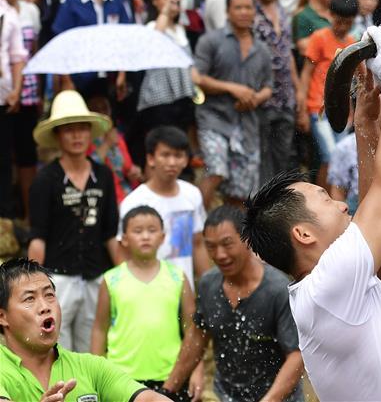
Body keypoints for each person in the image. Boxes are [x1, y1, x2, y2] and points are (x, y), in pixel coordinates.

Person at [242, 0, 381, 399]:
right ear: (303, 234)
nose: (339, 202)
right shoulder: (328, 287)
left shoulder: (343, 285)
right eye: (324, 198)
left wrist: (369, 121)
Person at [162, 206, 303, 401]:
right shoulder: (208, 285)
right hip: (226, 396)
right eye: (211, 246)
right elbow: (197, 338)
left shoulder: (277, 290)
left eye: (227, 244)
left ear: (246, 239)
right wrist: (167, 391)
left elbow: (297, 356)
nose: (220, 254)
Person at [27, 91, 121, 352]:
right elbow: (38, 236)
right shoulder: (45, 180)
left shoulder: (103, 175)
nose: (77, 136)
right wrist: (34, 287)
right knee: (57, 350)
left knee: (92, 351)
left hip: (95, 276)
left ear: (90, 133)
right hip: (58, 279)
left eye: (82, 128)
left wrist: (125, 277)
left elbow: (110, 233)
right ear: (57, 135)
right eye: (69, 130)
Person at [0, 259, 168, 402]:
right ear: (2, 316)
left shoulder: (91, 367)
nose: (45, 307)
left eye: (49, 295)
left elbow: (150, 399)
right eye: (29, 298)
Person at [89, 206, 201, 399]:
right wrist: (96, 376)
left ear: (163, 237)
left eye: (152, 230)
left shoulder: (177, 277)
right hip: (121, 379)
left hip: (171, 377)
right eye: (138, 231)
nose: (145, 236)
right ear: (124, 239)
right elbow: (100, 329)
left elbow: (193, 329)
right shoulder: (111, 279)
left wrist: (197, 370)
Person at [194, 0, 273, 208]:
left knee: (240, 193)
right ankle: (195, 224)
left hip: (247, 126)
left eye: (248, 7)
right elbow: (197, 77)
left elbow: (269, 86)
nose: (244, 12)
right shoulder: (211, 41)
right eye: (238, 7)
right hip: (214, 120)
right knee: (215, 172)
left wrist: (255, 98)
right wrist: (232, 88)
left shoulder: (262, 49)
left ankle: (230, 228)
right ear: (228, 12)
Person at [118, 126, 208, 284]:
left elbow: (198, 243)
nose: (172, 162)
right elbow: (124, 251)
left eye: (178, 155)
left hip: (184, 287)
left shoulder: (192, 194)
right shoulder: (133, 202)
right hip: (147, 288)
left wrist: (208, 284)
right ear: (151, 159)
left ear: (186, 160)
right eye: (165, 155)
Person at [52, 0, 132, 96]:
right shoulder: (70, 2)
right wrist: (66, 80)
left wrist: (122, 73)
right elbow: (62, 44)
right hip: (80, 75)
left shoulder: (115, 0)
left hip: (111, 75)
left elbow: (123, 38)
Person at [299, 0, 358, 186]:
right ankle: (325, 195)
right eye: (339, 21)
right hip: (318, 106)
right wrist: (302, 109)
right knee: (330, 155)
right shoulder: (319, 38)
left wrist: (351, 111)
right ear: (331, 16)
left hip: (341, 109)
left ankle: (333, 196)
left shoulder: (351, 42)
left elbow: (348, 81)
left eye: (348, 23)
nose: (343, 27)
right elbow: (306, 73)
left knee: (339, 157)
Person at [252, 0, 300, 184]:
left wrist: (298, 90)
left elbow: (288, 53)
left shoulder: (281, 11)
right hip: (261, 98)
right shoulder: (247, 10)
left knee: (283, 157)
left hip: (285, 98)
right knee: (262, 159)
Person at [0, 0, 40, 221]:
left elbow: (20, 55)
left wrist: (17, 89)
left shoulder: (17, 13)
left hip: (9, 96)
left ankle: (9, 220)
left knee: (8, 158)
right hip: (7, 94)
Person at [138, 0, 196, 150]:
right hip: (160, 98)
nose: (173, 1)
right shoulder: (151, 27)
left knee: (181, 142)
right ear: (155, 1)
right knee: (163, 142)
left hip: (182, 95)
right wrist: (165, 11)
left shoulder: (180, 29)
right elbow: (157, 40)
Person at [0, 0, 27, 222]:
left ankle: (4, 221)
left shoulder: (8, 13)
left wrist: (17, 90)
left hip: (3, 96)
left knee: (3, 158)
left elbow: (17, 56)